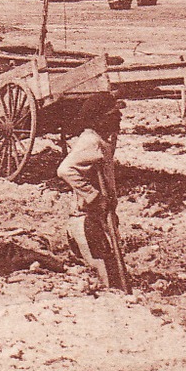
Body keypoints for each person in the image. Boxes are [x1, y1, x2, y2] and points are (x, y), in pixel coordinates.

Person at [57, 91, 128, 290]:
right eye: (114, 114)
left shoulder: (102, 141)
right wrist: (94, 196)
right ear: (100, 119)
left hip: (98, 219)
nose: (120, 117)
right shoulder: (91, 142)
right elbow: (65, 170)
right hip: (85, 221)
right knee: (110, 280)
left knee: (114, 271)